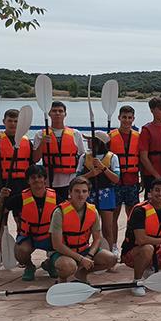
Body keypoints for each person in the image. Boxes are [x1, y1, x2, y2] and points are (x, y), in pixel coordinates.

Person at [0, 165, 58, 281]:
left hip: (48, 237)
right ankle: (29, 267)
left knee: (65, 248)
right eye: (33, 177)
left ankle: (49, 264)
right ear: (28, 181)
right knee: (21, 251)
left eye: (40, 177)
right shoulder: (20, 198)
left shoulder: (56, 198)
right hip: (29, 236)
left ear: (45, 179)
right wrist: (1, 197)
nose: (37, 180)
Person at [49, 177, 117, 283]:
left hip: (83, 250)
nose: (81, 195)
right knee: (68, 266)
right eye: (77, 191)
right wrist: (81, 259)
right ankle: (62, 279)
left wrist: (89, 255)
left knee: (112, 259)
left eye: (84, 191)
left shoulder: (92, 211)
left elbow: (97, 239)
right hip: (62, 252)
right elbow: (57, 245)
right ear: (70, 193)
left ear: (88, 193)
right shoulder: (59, 212)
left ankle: (82, 273)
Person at [0, 109, 31, 245]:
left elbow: (31, 164)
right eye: (10, 121)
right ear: (4, 122)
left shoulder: (26, 141)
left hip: (20, 186)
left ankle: (21, 250)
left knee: (21, 220)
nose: (13, 124)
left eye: (16, 121)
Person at [77, 131, 120, 259]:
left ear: (99, 142)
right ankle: (85, 252)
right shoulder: (84, 157)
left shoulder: (112, 157)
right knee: (87, 226)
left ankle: (111, 252)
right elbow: (76, 179)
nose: (88, 142)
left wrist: (103, 168)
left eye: (91, 139)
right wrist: (90, 174)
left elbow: (116, 179)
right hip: (90, 195)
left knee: (107, 227)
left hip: (106, 194)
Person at [32, 101, 85, 202]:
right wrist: (42, 143)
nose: (57, 113)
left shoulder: (75, 134)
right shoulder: (40, 134)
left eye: (60, 111)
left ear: (65, 114)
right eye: (54, 111)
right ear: (49, 113)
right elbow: (35, 159)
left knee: (67, 210)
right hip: (48, 181)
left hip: (70, 181)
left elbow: (82, 158)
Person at [109, 105, 141, 258]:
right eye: (124, 117)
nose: (127, 120)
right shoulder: (111, 136)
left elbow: (141, 158)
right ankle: (114, 246)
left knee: (133, 216)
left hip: (132, 181)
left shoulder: (138, 137)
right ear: (119, 118)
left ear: (133, 119)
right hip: (115, 183)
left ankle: (130, 243)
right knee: (113, 216)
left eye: (130, 118)